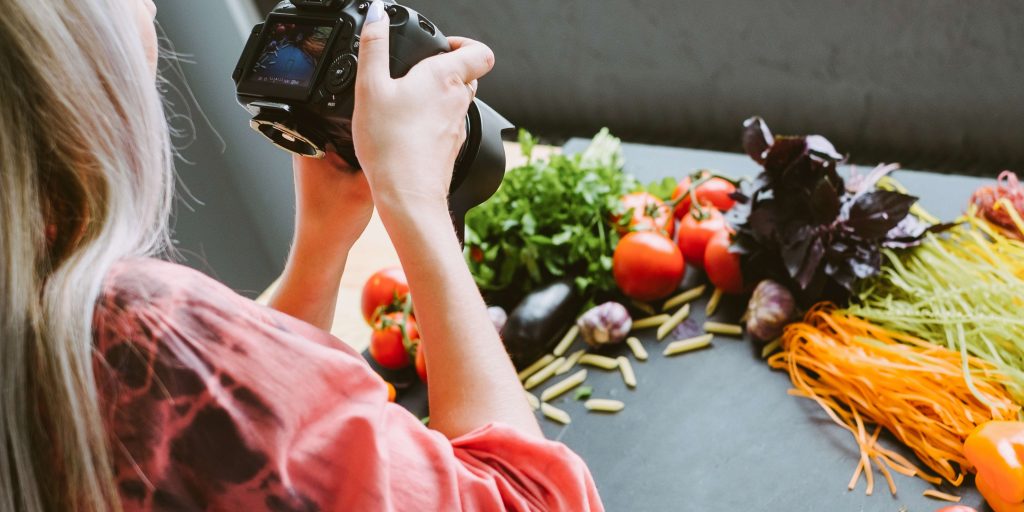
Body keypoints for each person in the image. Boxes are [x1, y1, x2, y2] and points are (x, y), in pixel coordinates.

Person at [0, 0, 603, 510]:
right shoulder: (133, 331)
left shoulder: (36, 307)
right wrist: (417, 203)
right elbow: (534, 499)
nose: (150, 4)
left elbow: (229, 442)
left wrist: (320, 242)